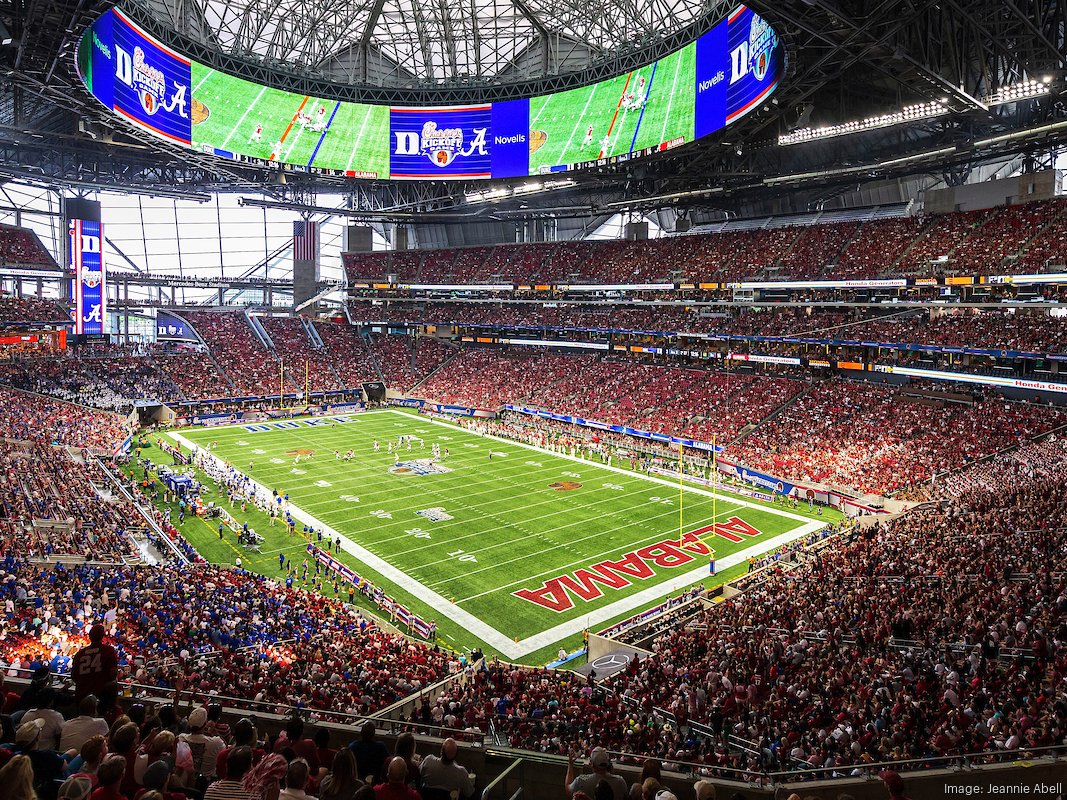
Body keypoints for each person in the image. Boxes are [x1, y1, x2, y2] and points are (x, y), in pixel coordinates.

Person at [72, 625, 118, 702]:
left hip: (81, 695)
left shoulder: (80, 653)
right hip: (101, 696)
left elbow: (74, 676)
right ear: (102, 636)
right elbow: (113, 673)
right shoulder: (108, 650)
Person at [179, 706, 225, 781]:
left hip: (184, 781)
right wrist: (214, 732)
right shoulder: (216, 743)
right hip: (206, 783)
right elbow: (225, 750)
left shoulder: (181, 738)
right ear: (205, 723)